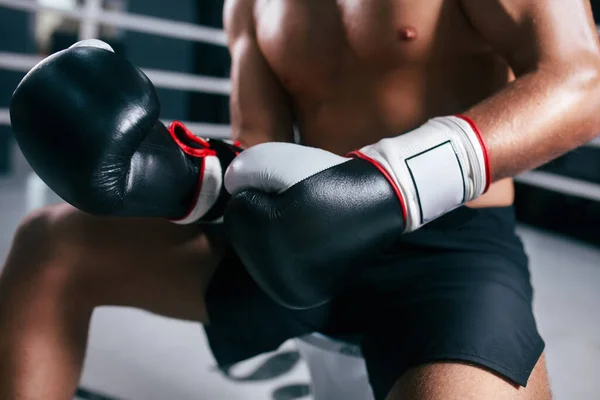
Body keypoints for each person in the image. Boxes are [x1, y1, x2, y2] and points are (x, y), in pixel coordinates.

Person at [3, 0, 600, 398]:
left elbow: (581, 81)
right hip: (297, 237)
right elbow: (259, 143)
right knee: (49, 247)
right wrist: (177, 179)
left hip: (447, 251)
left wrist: (391, 184)